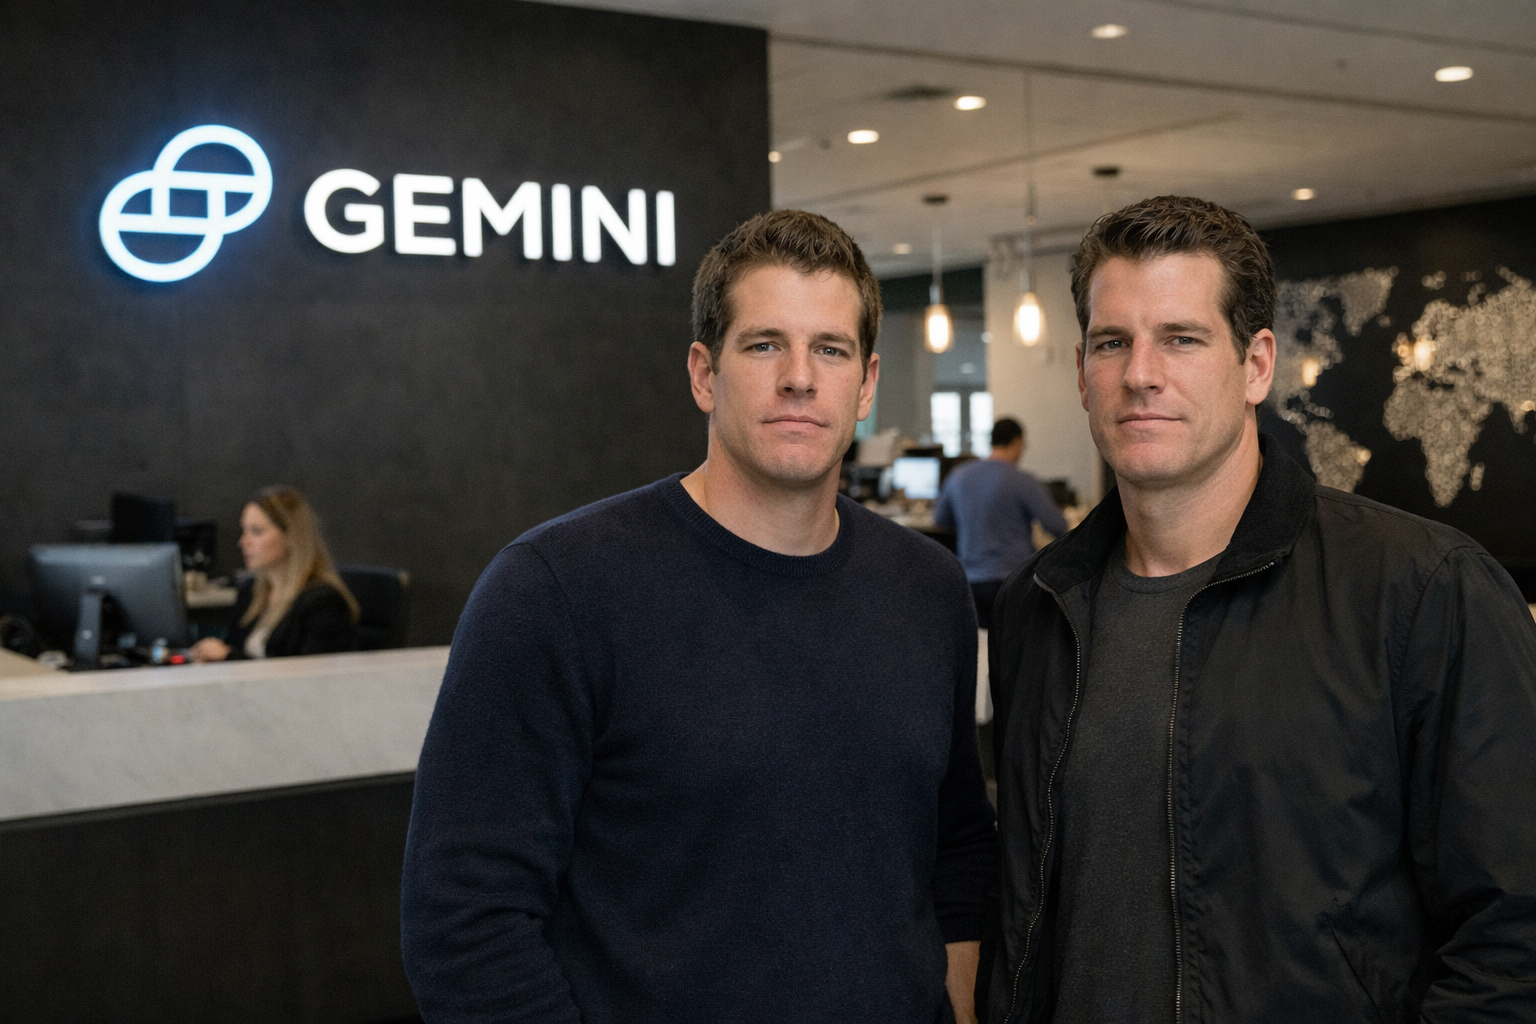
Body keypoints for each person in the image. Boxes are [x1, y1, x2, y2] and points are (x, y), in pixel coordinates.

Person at [401, 210, 997, 1024]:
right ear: (704, 374)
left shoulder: (927, 588)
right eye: (764, 345)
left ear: (865, 385)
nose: (799, 377)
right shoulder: (556, 589)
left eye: (830, 349)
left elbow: (956, 844)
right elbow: (465, 920)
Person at [977, 196, 1536, 1023]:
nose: (1140, 373)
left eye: (1182, 338)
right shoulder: (1038, 605)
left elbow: (1513, 938)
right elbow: (1021, 909)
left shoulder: (1423, 591)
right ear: (1082, 372)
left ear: (1257, 365)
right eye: (1112, 342)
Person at [189, 485, 359, 661]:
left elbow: (310, 673)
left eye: (256, 531)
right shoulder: (250, 591)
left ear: (291, 536)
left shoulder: (322, 601)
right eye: (244, 530)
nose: (243, 542)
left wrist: (229, 655)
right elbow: (234, 649)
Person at [934, 418, 1068, 629]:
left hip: (970, 581)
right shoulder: (1022, 480)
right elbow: (1057, 525)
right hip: (1013, 579)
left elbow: (941, 520)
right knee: (1014, 643)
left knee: (982, 644)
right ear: (1017, 442)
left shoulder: (958, 476)